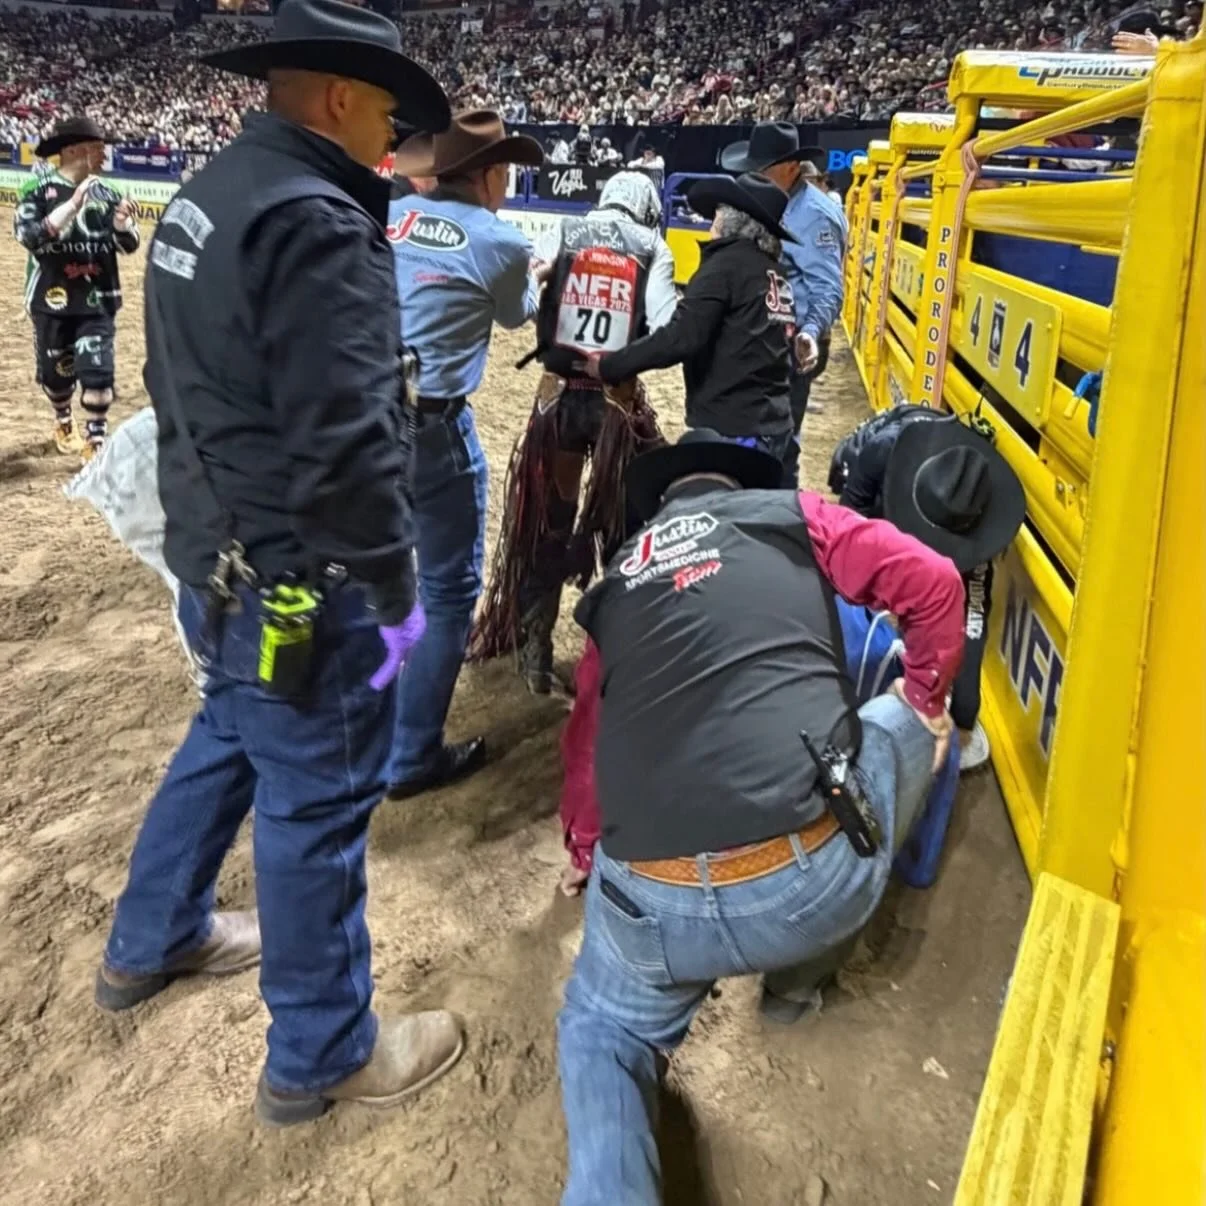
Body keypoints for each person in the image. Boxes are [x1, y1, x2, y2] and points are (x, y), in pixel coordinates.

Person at [96, 0, 465, 1127]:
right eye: (389, 117)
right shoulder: (316, 220)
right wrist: (396, 595)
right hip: (303, 586)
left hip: (219, 557)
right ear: (341, 97)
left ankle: (151, 938)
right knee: (316, 805)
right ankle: (320, 1051)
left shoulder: (208, 197)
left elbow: (176, 389)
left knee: (226, 734)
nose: (393, 142)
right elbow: (352, 444)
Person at [556, 430, 963, 1204]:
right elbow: (936, 582)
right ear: (738, 490)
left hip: (652, 900)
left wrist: (584, 853)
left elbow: (584, 754)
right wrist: (927, 702)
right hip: (809, 880)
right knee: (897, 718)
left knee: (600, 1032)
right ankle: (794, 986)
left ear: (658, 519)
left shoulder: (617, 591)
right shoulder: (790, 515)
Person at [384, 109, 544, 798]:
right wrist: (533, 274)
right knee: (449, 593)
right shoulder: (499, 241)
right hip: (434, 425)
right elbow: (517, 314)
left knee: (378, 573)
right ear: (487, 175)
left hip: (366, 419)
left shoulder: (389, 218)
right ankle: (412, 755)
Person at [470, 171, 674, 695]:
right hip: (615, 402)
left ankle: (533, 652)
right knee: (617, 524)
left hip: (558, 397)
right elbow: (668, 321)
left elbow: (532, 287)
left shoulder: (566, 231)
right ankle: (612, 652)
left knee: (547, 519)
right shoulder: (653, 246)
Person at [833, 409, 1026, 770]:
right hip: (878, 507)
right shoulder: (880, 452)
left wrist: (963, 718)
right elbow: (849, 528)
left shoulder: (974, 500)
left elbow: (973, 620)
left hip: (930, 513)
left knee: (952, 631)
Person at [583, 173, 798, 463]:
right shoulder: (774, 273)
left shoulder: (724, 268)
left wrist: (610, 365)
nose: (711, 223)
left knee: (719, 502)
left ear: (728, 220)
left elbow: (681, 337)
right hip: (774, 420)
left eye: (717, 215)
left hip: (733, 425)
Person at [721, 122, 847, 478]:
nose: (755, 173)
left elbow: (826, 285)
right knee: (771, 432)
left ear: (791, 168)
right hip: (775, 336)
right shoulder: (787, 203)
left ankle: (774, 499)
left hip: (790, 342)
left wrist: (809, 331)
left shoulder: (813, 216)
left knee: (776, 438)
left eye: (763, 166)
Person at [12, 116, 140, 460]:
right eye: (97, 148)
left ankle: (96, 439)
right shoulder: (36, 192)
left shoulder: (110, 193)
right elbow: (28, 236)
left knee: (98, 371)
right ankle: (63, 419)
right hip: (50, 298)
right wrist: (72, 206)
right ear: (73, 151)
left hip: (97, 298)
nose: (104, 155)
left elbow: (129, 245)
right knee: (57, 376)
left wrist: (121, 225)